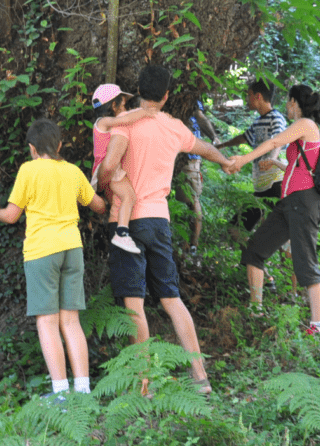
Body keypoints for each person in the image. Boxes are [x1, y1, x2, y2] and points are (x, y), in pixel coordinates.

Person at [97, 65, 233, 394]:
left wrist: (102, 183)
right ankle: (200, 376)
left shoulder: (127, 122)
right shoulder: (173, 127)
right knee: (172, 299)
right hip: (158, 220)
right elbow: (205, 149)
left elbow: (111, 164)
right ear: (167, 95)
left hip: (125, 221)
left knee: (134, 304)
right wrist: (227, 162)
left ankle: (146, 383)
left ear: (139, 90)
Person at [0, 119, 107, 397]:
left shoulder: (29, 170)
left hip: (42, 251)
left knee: (47, 322)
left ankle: (61, 392)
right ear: (60, 146)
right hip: (72, 249)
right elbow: (99, 206)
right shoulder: (73, 172)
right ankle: (84, 389)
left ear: (32, 148)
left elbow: (11, 215)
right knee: (71, 321)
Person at [224, 84, 320, 335]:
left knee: (305, 262)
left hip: (304, 202)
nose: (286, 106)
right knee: (255, 251)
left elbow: (274, 140)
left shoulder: (305, 124)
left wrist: (243, 159)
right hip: (289, 201)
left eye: (288, 101)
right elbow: (299, 170)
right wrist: (275, 162)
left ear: (294, 102)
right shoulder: (303, 128)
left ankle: (317, 325)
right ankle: (256, 310)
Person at [216, 79, 289, 291]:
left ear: (257, 96)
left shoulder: (277, 118)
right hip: (260, 189)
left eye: (248, 95)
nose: (247, 99)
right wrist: (219, 146)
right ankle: (264, 274)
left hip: (275, 186)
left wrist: (272, 159)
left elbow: (278, 140)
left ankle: (290, 288)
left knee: (280, 240)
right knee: (235, 228)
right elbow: (243, 138)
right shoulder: (258, 122)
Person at [90, 83, 152, 254]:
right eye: (123, 104)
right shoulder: (105, 121)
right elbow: (124, 120)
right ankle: (122, 233)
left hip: (111, 168)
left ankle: (119, 233)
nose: (125, 108)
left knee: (120, 202)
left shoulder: (104, 122)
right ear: (113, 105)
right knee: (129, 197)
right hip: (108, 168)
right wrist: (145, 112)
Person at [178, 100, 217, 255]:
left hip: (188, 157)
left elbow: (199, 117)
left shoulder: (190, 97)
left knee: (192, 201)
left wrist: (214, 138)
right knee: (186, 201)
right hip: (182, 157)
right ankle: (186, 242)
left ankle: (192, 244)